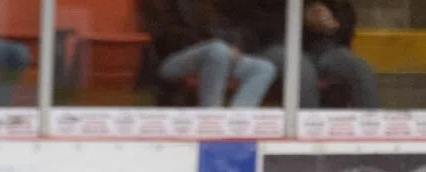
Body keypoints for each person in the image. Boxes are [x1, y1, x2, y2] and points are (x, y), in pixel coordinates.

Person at [140, 0, 276, 107]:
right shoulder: (164, 4)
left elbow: (232, 26)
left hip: (219, 55)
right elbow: (165, 35)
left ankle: (239, 118)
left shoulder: (214, 5)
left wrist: (233, 47)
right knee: (217, 50)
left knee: (264, 68)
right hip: (172, 61)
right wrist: (207, 45)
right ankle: (211, 114)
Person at [252, 0, 379, 108]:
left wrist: (334, 24)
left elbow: (345, 18)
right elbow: (250, 20)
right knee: (300, 68)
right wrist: (300, 17)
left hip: (322, 48)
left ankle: (372, 130)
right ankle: (308, 129)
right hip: (269, 46)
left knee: (357, 67)